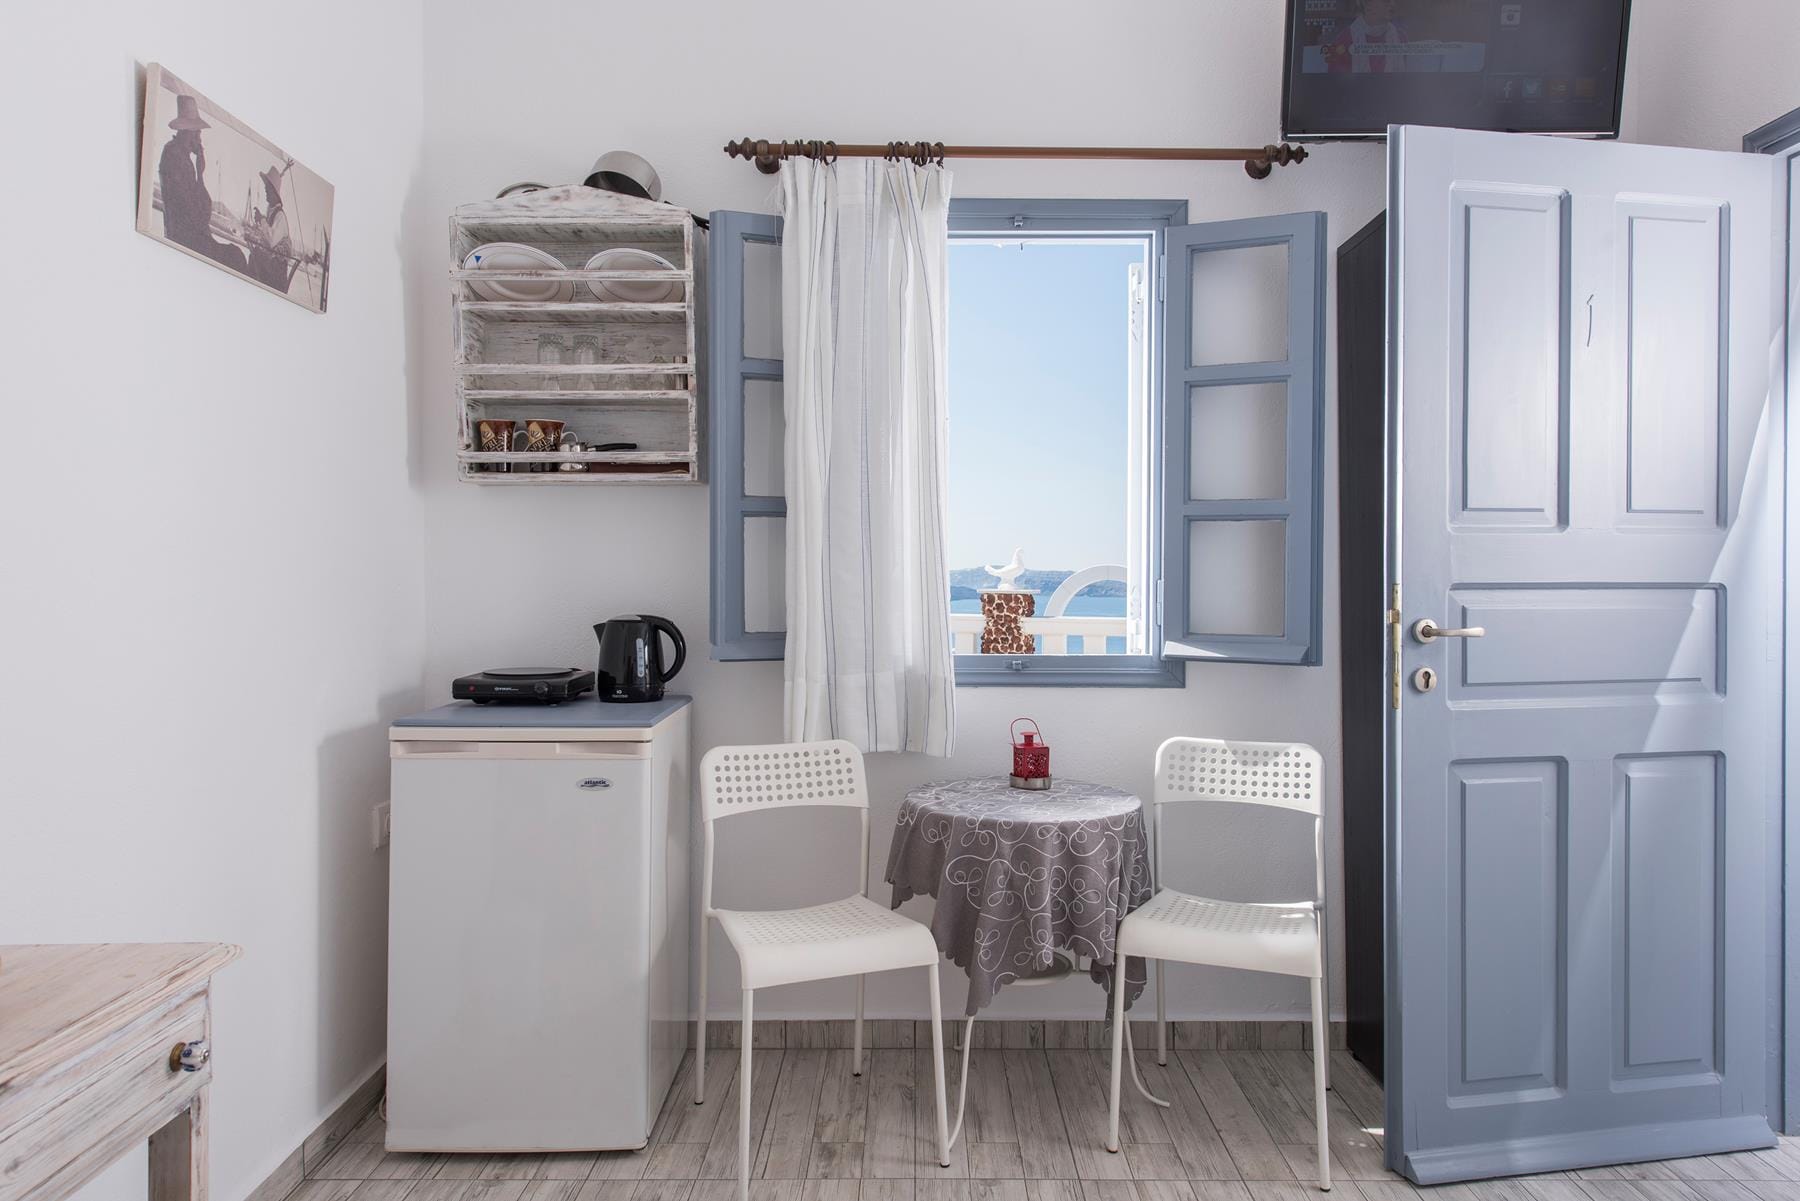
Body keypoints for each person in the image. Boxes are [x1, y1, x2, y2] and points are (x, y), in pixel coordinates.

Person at [157, 93, 247, 271]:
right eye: (197, 133)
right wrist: (200, 173)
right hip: (188, 241)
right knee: (236, 256)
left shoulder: (177, 155)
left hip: (189, 237)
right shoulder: (176, 157)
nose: (199, 139)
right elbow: (200, 214)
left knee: (235, 254)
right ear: (187, 132)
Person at [246, 161, 301, 293]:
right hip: (271, 267)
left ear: (274, 192)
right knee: (253, 255)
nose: (265, 191)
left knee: (255, 256)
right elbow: (268, 238)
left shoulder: (280, 216)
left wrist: (262, 219)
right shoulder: (272, 212)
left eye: (267, 188)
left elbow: (271, 242)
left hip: (276, 274)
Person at [1324, 0, 1408, 73]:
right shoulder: (1344, 40)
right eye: (1386, 0)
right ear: (1367, 4)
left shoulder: (1400, 37)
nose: (1392, 3)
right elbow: (1335, 84)